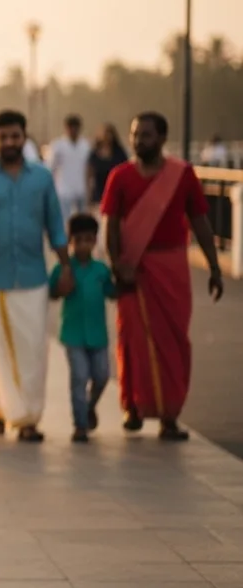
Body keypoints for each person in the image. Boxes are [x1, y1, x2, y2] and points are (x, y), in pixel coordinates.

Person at [100, 111, 224, 442]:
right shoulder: (120, 177)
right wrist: (117, 265)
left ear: (162, 139)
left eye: (147, 135)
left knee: (173, 341)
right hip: (132, 270)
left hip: (171, 269)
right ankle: (134, 409)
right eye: (135, 134)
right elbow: (110, 225)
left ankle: (170, 415)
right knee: (132, 341)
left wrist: (214, 268)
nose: (140, 141)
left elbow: (200, 221)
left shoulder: (181, 175)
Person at [0, 109, 72, 443]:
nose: (9, 142)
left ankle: (26, 418)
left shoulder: (43, 177)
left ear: (24, 137)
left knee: (33, 350)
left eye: (15, 136)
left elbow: (57, 228)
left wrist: (65, 268)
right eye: (3, 137)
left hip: (35, 277)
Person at [48, 213, 116, 443]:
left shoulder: (101, 270)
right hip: (73, 334)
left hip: (98, 335)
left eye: (89, 239)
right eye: (79, 240)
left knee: (102, 375)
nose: (84, 245)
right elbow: (53, 293)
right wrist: (62, 286)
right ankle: (80, 425)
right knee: (79, 376)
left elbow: (112, 292)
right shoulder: (64, 269)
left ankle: (90, 406)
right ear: (71, 241)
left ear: (95, 241)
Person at [48, 114, 93, 218]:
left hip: (82, 189)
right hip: (64, 190)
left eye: (75, 127)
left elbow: (90, 169)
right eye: (70, 127)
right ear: (66, 128)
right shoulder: (58, 145)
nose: (73, 130)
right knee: (66, 221)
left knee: (82, 221)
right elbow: (51, 167)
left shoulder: (85, 146)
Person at [87, 124, 128, 210]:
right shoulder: (94, 154)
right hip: (99, 194)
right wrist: (89, 195)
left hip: (117, 194)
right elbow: (89, 174)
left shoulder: (119, 152)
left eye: (109, 134)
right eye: (105, 134)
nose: (107, 137)